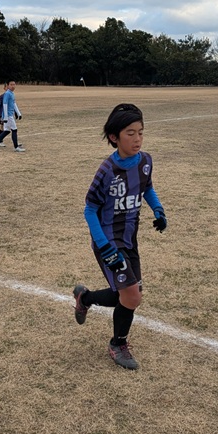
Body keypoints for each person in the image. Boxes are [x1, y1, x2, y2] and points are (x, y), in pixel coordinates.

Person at [73, 103, 167, 370]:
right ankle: (117, 344)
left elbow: (147, 188)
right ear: (114, 137)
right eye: (130, 133)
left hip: (129, 240)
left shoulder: (145, 161)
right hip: (109, 242)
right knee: (132, 297)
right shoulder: (106, 170)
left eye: (141, 132)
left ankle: (85, 298)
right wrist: (105, 247)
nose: (137, 139)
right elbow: (90, 209)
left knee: (127, 295)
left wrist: (158, 209)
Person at [0, 80, 25, 152]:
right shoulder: (7, 94)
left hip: (10, 115)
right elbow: (5, 104)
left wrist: (18, 113)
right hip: (9, 116)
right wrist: (6, 116)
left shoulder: (12, 94)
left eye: (14, 84)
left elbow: (14, 104)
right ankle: (16, 147)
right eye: (11, 85)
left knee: (7, 131)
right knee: (14, 130)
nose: (13, 86)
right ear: (8, 85)